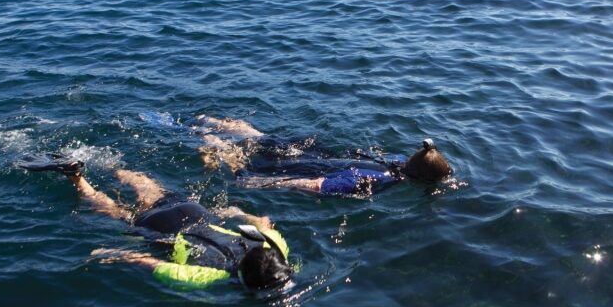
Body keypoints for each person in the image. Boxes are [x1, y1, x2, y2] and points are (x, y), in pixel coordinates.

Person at [17, 154, 292, 291]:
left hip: (194, 211)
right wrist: (113, 255)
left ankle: (109, 164)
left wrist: (238, 213)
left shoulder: (272, 245)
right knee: (115, 212)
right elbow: (150, 262)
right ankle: (76, 176)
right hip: (161, 228)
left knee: (148, 189)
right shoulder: (210, 275)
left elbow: (264, 221)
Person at [195, 115, 454, 197]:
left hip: (318, 154)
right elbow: (316, 185)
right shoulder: (376, 180)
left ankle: (210, 122)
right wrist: (263, 184)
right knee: (242, 170)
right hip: (303, 169)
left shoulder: (397, 159)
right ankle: (211, 141)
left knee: (261, 138)